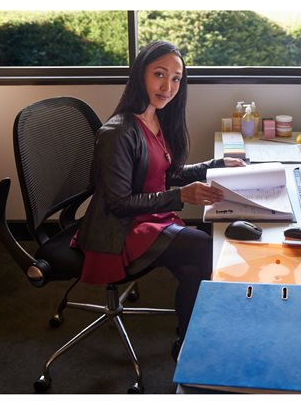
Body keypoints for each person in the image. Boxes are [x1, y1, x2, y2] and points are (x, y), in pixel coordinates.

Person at [72, 40, 246, 358]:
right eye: (159, 74)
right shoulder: (117, 133)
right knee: (205, 250)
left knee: (196, 264)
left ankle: (188, 340)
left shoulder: (154, 118)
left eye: (176, 78)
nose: (168, 87)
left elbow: (168, 172)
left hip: (150, 217)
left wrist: (216, 165)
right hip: (119, 229)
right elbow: (118, 204)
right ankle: (191, 341)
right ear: (141, 74)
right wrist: (180, 196)